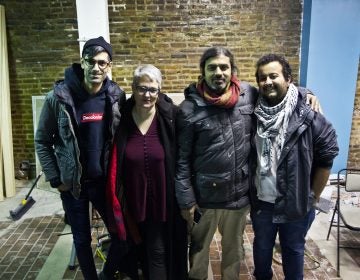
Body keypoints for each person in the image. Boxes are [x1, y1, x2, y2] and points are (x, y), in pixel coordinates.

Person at [35, 36, 126, 280]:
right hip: (73, 185)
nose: (96, 68)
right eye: (91, 61)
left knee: (120, 234)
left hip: (104, 182)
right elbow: (42, 140)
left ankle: (107, 275)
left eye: (102, 63)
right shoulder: (59, 97)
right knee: (82, 239)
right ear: (82, 63)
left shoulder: (116, 96)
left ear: (109, 66)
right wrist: (56, 179)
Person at [250, 54, 339, 280]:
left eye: (273, 76)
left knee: (293, 251)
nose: (267, 81)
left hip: (295, 203)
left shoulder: (309, 115)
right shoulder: (252, 112)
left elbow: (326, 159)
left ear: (288, 79)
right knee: (261, 249)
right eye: (262, 78)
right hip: (262, 202)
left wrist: (312, 198)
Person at [175, 46, 258, 280]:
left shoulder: (248, 95)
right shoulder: (189, 109)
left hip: (238, 196)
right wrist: (186, 200)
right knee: (199, 252)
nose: (218, 72)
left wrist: (305, 93)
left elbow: (278, 91)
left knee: (234, 252)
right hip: (205, 200)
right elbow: (182, 160)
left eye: (224, 67)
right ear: (203, 72)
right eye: (212, 67)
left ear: (232, 70)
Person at [106, 64, 188, 280]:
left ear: (159, 91)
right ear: (133, 88)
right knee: (134, 252)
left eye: (153, 89)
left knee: (157, 252)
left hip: (160, 203)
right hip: (130, 202)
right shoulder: (121, 118)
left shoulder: (170, 117)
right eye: (142, 88)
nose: (147, 94)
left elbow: (183, 157)